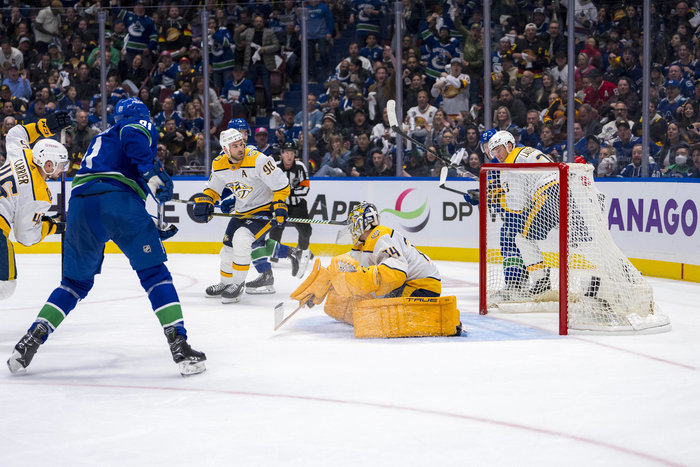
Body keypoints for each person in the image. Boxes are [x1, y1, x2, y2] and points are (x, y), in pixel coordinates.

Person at [7, 98, 206, 376]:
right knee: (154, 274)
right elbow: (131, 138)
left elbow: (105, 188)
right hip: (118, 201)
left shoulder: (101, 138)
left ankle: (31, 339)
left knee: (73, 284)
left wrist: (150, 223)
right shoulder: (133, 125)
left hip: (81, 205)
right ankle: (179, 344)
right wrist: (151, 173)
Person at [289, 202, 460, 338]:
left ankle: (436, 320)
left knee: (379, 314)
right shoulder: (362, 244)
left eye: (353, 223)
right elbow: (345, 267)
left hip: (422, 287)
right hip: (409, 285)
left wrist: (364, 278)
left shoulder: (380, 235)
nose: (351, 228)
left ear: (360, 223)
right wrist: (322, 285)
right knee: (355, 301)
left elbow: (397, 272)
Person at [193, 128, 290, 302]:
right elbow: (213, 189)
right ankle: (226, 282)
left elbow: (281, 185)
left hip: (264, 210)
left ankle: (237, 285)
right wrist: (206, 200)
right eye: (235, 146)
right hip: (242, 211)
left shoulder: (258, 160)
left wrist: (280, 204)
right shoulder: (219, 164)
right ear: (225, 149)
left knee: (242, 239)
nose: (240, 148)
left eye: (241, 144)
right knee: (227, 248)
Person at [466, 130, 559, 298]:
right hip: (551, 193)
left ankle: (521, 282)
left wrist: (488, 196)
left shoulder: (510, 160)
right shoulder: (505, 159)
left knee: (514, 234)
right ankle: (522, 280)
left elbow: (515, 202)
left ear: (508, 145)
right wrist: (483, 194)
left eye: (494, 148)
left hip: (541, 197)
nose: (492, 152)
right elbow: (499, 191)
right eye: (488, 148)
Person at [1, 113, 71, 301]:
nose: (63, 169)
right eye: (61, 165)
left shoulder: (22, 152)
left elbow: (15, 133)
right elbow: (25, 236)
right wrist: (53, 226)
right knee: (5, 285)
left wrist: (44, 126)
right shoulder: (38, 194)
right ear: (48, 164)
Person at [268, 141, 314, 277]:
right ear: (281, 154)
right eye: (287, 153)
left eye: (292, 153)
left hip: (297, 205)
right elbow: (268, 187)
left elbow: (305, 189)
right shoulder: (274, 167)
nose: (289, 156)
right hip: (280, 204)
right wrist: (284, 194)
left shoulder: (300, 167)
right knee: (275, 228)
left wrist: (285, 192)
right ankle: (274, 254)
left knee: (306, 230)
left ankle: (301, 252)